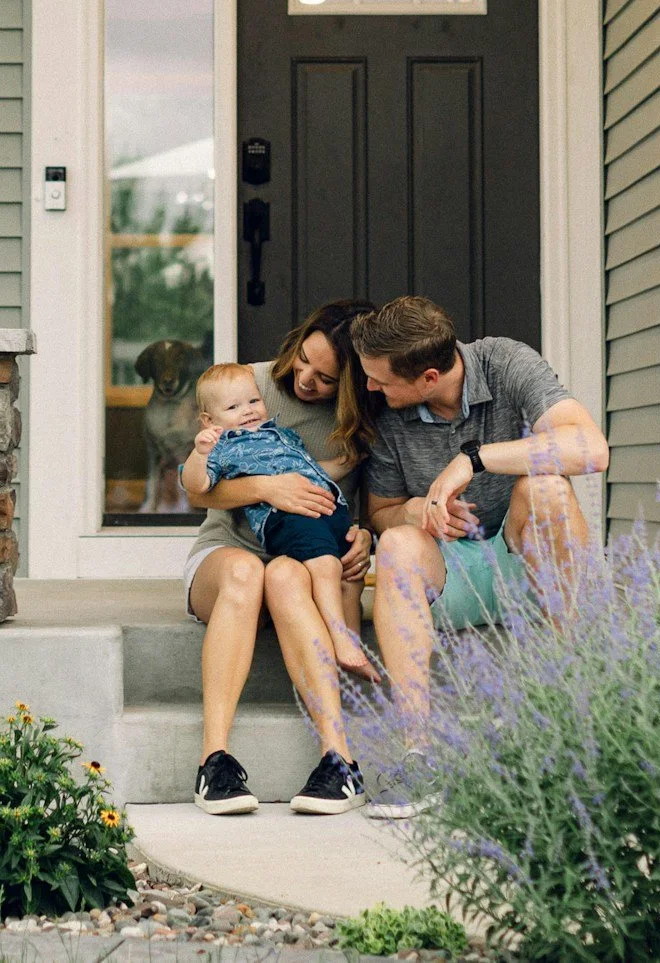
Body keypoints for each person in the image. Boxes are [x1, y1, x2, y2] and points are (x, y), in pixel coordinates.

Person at [350, 295, 608, 820]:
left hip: (526, 564)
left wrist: (474, 459)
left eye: (380, 379)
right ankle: (418, 755)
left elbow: (590, 447)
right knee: (397, 544)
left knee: (547, 491)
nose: (370, 387)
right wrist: (418, 510)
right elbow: (381, 513)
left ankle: (573, 722)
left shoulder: (506, 363)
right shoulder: (387, 414)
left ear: (427, 377)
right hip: (452, 575)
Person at [180, 298, 378, 817]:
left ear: (354, 382)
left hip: (303, 558)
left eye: (327, 377)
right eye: (304, 360)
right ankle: (214, 761)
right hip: (229, 556)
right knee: (250, 570)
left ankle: (339, 762)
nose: (306, 379)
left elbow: (359, 499)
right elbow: (199, 491)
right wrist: (270, 487)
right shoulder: (247, 386)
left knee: (285, 573)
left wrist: (363, 536)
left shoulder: (358, 418)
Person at [181, 362, 376, 680]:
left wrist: (349, 461)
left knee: (349, 575)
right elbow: (196, 486)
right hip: (285, 517)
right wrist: (200, 453)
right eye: (233, 407)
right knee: (326, 566)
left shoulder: (282, 435)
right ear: (209, 420)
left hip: (326, 511)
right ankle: (340, 639)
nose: (247, 411)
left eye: (253, 402)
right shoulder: (224, 447)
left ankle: (347, 657)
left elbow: (314, 471)